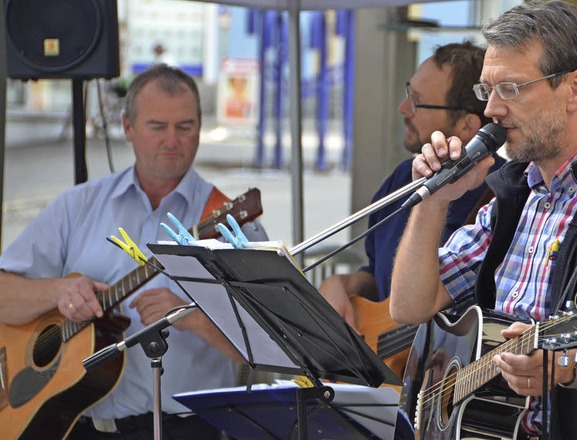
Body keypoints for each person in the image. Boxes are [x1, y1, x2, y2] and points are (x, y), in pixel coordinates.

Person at [390, 1, 577, 439]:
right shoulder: (514, 194)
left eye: (511, 88)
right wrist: (432, 201)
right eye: (488, 91)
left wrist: (567, 366)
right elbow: (409, 305)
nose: (491, 111)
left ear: (575, 88)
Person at [0, 65, 267, 439]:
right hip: (75, 424)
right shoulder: (78, 206)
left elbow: (271, 345)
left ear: (200, 129)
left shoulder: (227, 220)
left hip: (185, 430)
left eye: (185, 127)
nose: (172, 140)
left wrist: (194, 318)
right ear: (127, 127)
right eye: (158, 126)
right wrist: (57, 292)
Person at [319, 42, 505, 329]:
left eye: (417, 101)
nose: (403, 108)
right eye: (409, 94)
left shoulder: (505, 196)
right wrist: (342, 284)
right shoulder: (402, 178)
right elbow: (378, 277)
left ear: (468, 126)